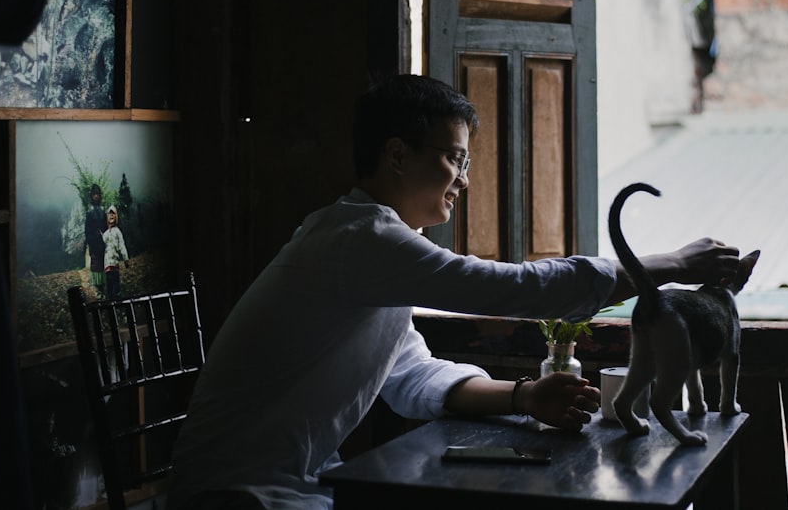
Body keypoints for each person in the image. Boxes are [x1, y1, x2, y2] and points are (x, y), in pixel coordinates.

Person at [167, 74, 740, 510]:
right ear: (396, 155)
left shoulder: (367, 246)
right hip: (237, 496)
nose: (464, 179)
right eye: (454, 158)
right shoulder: (360, 240)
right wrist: (670, 263)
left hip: (291, 485)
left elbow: (409, 374)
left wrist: (523, 396)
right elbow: (515, 288)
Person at [102, 204, 129, 300]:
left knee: (116, 282)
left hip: (115, 263)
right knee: (109, 284)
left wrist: (126, 259)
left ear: (116, 217)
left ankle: (118, 299)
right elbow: (102, 246)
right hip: (107, 264)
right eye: (109, 214)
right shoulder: (105, 234)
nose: (111, 216)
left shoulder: (118, 232)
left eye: (113, 214)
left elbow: (122, 245)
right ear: (107, 218)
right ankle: (110, 300)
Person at [85, 183, 107, 295]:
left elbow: (106, 227)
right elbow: (87, 231)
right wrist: (92, 240)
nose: (96, 196)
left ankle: (104, 287)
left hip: (103, 243)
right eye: (94, 194)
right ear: (92, 196)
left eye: (98, 194)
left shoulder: (104, 210)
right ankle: (98, 289)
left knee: (104, 265)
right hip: (94, 243)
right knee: (96, 267)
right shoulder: (89, 212)